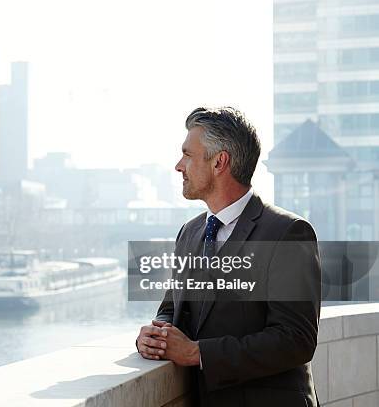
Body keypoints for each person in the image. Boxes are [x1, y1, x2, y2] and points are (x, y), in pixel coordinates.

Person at [136, 106, 321, 406]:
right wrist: (155, 336)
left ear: (219, 162)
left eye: (187, 154)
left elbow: (296, 339)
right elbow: (172, 309)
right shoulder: (189, 233)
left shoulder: (288, 233)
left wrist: (197, 352)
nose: (178, 166)